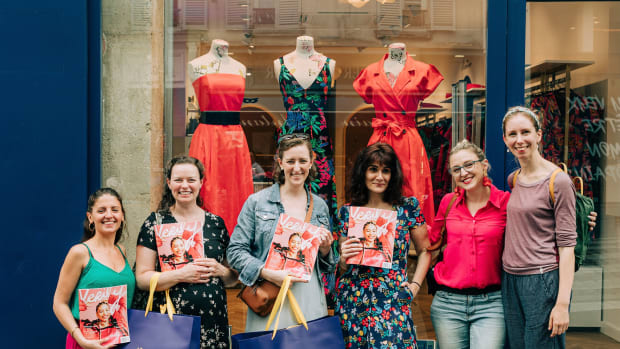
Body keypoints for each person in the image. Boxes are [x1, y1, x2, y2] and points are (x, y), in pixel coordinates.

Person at [227, 134, 336, 331]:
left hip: (309, 298)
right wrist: (266, 273)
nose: (297, 167)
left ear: (311, 163)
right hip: (270, 296)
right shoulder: (257, 202)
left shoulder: (320, 206)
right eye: (290, 161)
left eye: (303, 161)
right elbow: (235, 251)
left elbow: (327, 265)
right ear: (280, 163)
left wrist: (327, 249)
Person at [134, 155, 238, 349]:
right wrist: (181, 274)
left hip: (212, 324)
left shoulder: (216, 224)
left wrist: (220, 270)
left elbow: (233, 279)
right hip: (170, 325)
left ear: (201, 182)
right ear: (169, 182)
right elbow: (141, 278)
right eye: (178, 180)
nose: (185, 186)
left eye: (191, 180)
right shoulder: (155, 223)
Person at [336, 143, 431, 349]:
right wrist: (343, 258)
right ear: (363, 172)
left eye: (385, 170)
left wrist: (414, 286)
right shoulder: (348, 212)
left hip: (392, 299)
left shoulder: (407, 208)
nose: (379, 176)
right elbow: (344, 265)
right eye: (373, 169)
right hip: (354, 300)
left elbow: (425, 250)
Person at [501, 106, 576, 348]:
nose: (519, 140)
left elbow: (567, 248)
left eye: (526, 132)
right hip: (511, 279)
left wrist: (562, 304)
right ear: (505, 139)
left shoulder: (558, 181)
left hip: (542, 279)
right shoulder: (514, 179)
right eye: (512, 134)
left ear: (539, 135)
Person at [429, 139, 508, 349]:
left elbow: (536, 226)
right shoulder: (448, 202)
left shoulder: (505, 203)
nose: (463, 173)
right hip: (448, 303)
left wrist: (583, 219)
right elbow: (431, 244)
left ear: (484, 165)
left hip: (491, 304)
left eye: (469, 165)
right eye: (456, 169)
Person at [53, 188, 135, 349]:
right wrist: (80, 339)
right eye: (101, 210)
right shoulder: (80, 253)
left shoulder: (121, 250)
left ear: (122, 216)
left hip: (120, 342)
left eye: (115, 210)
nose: (109, 215)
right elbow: (59, 303)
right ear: (90, 217)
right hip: (86, 343)